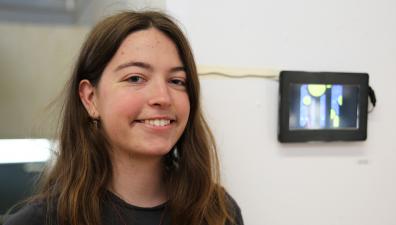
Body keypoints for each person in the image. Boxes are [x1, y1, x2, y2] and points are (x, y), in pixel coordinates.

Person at [4, 10, 244, 225]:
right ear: (90, 98)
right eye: (135, 78)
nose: (163, 97)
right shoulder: (41, 220)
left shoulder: (218, 212)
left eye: (176, 81)